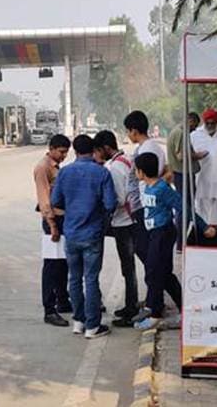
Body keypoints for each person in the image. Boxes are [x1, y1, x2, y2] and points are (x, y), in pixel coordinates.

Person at [132, 153, 216, 330]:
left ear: (141, 171)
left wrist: (204, 226)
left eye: (136, 169)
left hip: (163, 233)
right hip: (153, 234)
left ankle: (154, 312)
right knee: (163, 273)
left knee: (154, 271)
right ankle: (184, 309)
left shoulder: (162, 188)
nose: (135, 172)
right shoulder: (147, 187)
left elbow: (183, 207)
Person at [51, 135, 117, 339]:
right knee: (91, 279)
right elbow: (110, 203)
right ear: (93, 150)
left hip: (71, 232)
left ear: (75, 150)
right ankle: (92, 325)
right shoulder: (102, 173)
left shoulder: (65, 172)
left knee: (74, 278)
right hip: (93, 233)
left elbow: (55, 200)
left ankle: (78, 321)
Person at [93, 131, 139, 327]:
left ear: (105, 148)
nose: (97, 155)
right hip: (132, 218)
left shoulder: (114, 168)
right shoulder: (127, 159)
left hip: (123, 222)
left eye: (97, 151)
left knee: (127, 267)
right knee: (129, 267)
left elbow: (119, 199)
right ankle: (131, 304)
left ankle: (131, 309)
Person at [34, 134, 73, 327]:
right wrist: (52, 225)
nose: (64, 156)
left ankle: (63, 300)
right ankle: (49, 310)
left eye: (66, 152)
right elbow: (44, 199)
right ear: (51, 149)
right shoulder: (43, 168)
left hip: (62, 218)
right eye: (61, 152)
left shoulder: (57, 167)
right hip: (53, 220)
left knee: (62, 263)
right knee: (51, 266)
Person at [123, 111, 168, 265]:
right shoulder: (151, 147)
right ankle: (157, 274)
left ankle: (159, 276)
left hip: (145, 203)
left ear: (134, 131)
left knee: (144, 247)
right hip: (142, 202)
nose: (128, 135)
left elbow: (148, 179)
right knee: (146, 246)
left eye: (128, 131)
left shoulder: (146, 150)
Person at [167, 112, 202, 251]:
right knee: (185, 208)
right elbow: (181, 156)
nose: (194, 129)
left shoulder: (177, 132)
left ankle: (181, 241)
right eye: (194, 125)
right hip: (182, 174)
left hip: (181, 174)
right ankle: (181, 242)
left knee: (184, 207)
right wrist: (197, 155)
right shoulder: (181, 133)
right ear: (190, 121)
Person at [191, 108, 217, 224]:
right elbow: (188, 154)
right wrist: (197, 156)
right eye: (207, 123)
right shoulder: (195, 135)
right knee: (202, 208)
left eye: (212, 123)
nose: (210, 125)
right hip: (203, 177)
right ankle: (204, 230)